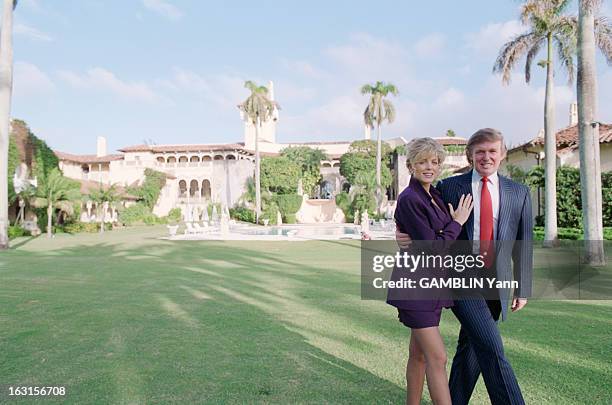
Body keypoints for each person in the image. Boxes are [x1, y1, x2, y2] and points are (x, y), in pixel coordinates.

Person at [396, 128, 533, 405]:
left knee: (471, 348)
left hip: (496, 283)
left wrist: (523, 285)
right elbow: (422, 217)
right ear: (470, 156)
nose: (486, 157)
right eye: (479, 152)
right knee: (493, 349)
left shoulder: (519, 192)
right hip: (460, 279)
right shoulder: (448, 187)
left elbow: (523, 242)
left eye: (492, 151)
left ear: (502, 154)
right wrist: (401, 234)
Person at [388, 137, 473, 405]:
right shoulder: (410, 198)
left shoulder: (434, 194)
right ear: (411, 164)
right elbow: (434, 248)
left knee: (420, 355)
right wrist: (457, 221)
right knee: (438, 357)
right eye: (423, 161)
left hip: (433, 285)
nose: (429, 167)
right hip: (416, 287)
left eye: (434, 162)